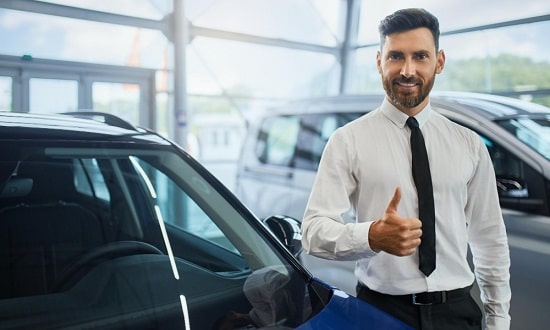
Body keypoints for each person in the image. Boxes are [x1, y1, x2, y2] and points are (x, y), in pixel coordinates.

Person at [301, 8, 511, 330]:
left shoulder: (469, 144)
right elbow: (313, 233)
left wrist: (498, 320)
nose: (408, 70)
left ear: (438, 62)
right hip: (380, 312)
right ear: (379, 61)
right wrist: (370, 236)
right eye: (396, 56)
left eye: (420, 56)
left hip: (456, 313)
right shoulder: (347, 141)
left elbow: (489, 239)